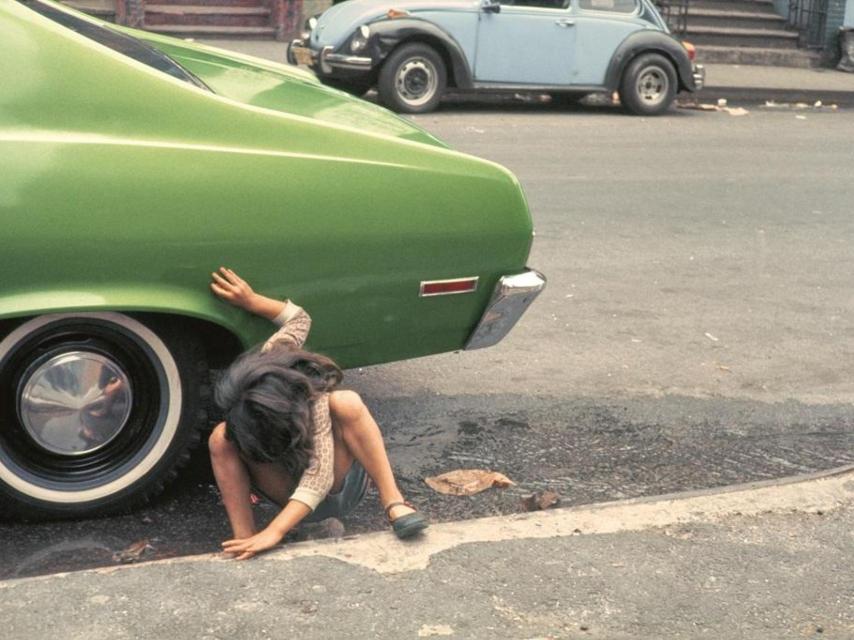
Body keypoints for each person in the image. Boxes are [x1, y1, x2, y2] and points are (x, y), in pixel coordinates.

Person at [207, 267, 428, 560]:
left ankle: (394, 502)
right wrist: (251, 301)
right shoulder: (274, 357)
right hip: (282, 488)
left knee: (347, 402)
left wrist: (275, 531)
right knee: (220, 437)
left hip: (334, 490)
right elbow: (299, 319)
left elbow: (319, 478)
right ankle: (244, 537)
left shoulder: (316, 402)